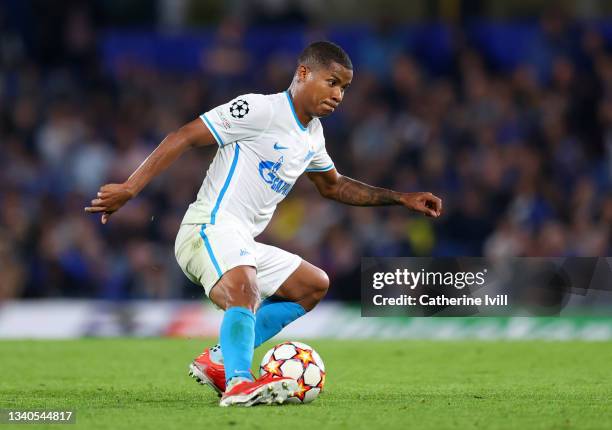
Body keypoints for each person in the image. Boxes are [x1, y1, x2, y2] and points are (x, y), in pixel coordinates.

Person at [85, 41, 443, 407]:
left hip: (240, 239)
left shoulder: (313, 135)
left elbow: (333, 186)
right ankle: (239, 382)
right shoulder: (260, 108)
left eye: (344, 88)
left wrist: (400, 198)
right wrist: (130, 188)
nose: (338, 95)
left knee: (313, 285)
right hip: (208, 226)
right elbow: (184, 136)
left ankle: (220, 359)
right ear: (303, 73)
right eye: (332, 82)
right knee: (246, 287)